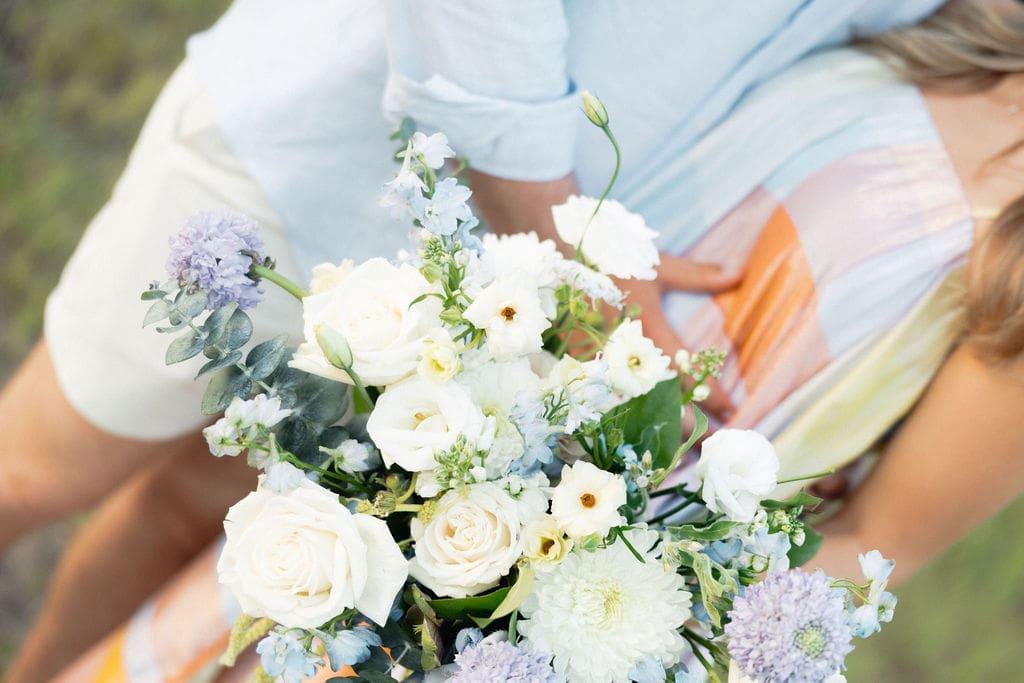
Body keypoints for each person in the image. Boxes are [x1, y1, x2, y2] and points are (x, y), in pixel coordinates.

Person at [0, 0, 972, 681]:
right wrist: (564, 240)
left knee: (194, 518)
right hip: (334, 159)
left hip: (501, 312)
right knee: (27, 472)